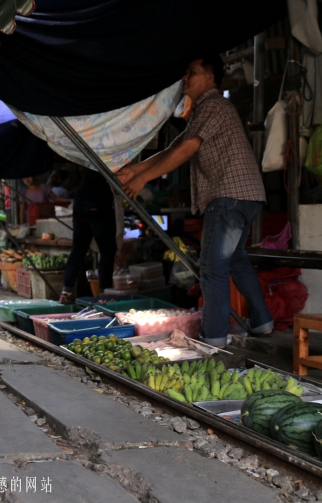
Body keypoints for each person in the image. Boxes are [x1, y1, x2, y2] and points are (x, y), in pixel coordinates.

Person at [117, 54, 273, 346]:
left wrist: (143, 179)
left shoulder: (213, 104)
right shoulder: (204, 109)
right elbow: (175, 147)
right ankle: (263, 322)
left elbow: (187, 148)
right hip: (246, 195)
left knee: (212, 267)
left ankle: (213, 339)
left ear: (210, 78)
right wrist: (136, 170)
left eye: (192, 72)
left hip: (230, 195)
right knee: (236, 260)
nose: (185, 78)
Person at [60, 171, 117, 303]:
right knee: (107, 251)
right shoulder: (111, 159)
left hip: (80, 203)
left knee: (78, 250)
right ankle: (104, 295)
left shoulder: (90, 161)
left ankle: (66, 292)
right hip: (98, 203)